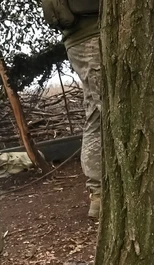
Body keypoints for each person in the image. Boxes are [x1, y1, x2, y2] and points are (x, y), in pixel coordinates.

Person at [42, 0, 102, 219]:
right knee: (107, 114)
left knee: (97, 114)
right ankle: (100, 195)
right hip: (91, 36)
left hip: (84, 37)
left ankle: (100, 196)